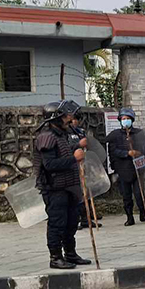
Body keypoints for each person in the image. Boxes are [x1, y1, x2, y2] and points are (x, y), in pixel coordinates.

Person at [35, 100, 92, 269]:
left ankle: (70, 253)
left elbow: (65, 150)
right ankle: (55, 257)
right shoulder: (46, 137)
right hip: (55, 188)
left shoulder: (62, 134)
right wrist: (75, 158)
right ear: (56, 118)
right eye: (66, 116)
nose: (70, 118)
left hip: (70, 187)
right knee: (57, 223)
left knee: (71, 222)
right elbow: (50, 165)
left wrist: (77, 146)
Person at [106, 108, 145, 226]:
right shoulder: (115, 135)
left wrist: (138, 153)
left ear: (132, 120)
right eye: (123, 119)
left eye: (128, 119)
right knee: (126, 195)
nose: (126, 121)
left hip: (138, 169)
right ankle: (129, 217)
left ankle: (144, 214)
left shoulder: (139, 133)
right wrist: (127, 153)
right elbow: (113, 151)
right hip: (123, 169)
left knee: (140, 194)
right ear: (120, 120)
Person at [67, 114, 99, 230]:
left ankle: (88, 219)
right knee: (78, 195)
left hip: (84, 165)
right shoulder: (65, 133)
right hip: (72, 167)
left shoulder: (81, 132)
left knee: (87, 193)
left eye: (76, 119)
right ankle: (79, 219)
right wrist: (78, 145)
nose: (74, 122)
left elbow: (89, 147)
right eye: (72, 120)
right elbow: (66, 148)